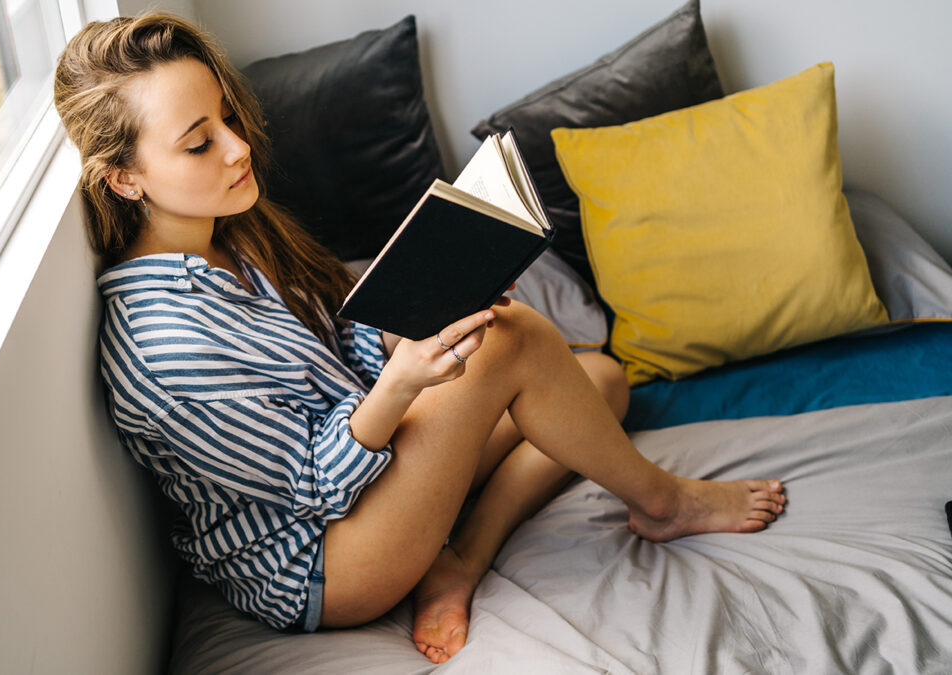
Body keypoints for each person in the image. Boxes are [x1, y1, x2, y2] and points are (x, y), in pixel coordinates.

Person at [54, 12, 786, 665]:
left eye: (226, 119)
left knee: (597, 381)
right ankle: (667, 503)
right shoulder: (165, 344)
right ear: (124, 179)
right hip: (325, 561)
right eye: (197, 144)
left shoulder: (227, 241)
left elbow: (341, 364)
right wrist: (407, 379)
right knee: (516, 343)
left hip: (369, 475)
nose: (238, 147)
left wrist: (425, 318)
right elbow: (312, 487)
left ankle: (459, 561)